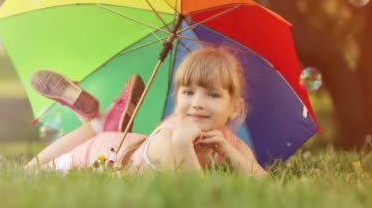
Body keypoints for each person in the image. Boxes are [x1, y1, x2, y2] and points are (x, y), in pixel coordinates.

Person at [25, 47, 267, 176]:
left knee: (103, 134)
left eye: (213, 95)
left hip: (132, 144)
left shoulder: (228, 141)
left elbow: (264, 186)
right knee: (31, 173)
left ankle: (101, 123)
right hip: (102, 157)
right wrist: (183, 143)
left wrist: (228, 151)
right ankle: (98, 126)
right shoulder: (168, 139)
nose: (198, 103)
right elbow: (197, 196)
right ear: (177, 97)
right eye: (188, 93)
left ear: (234, 107)